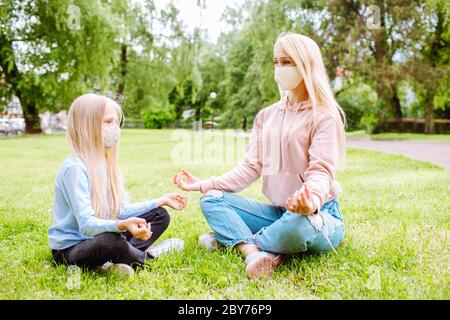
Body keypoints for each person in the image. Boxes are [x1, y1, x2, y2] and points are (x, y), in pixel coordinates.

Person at [173, 32, 346, 279]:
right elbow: (250, 168)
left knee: (297, 225)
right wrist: (203, 184)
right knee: (212, 200)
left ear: (306, 65)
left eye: (287, 62)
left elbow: (321, 171)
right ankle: (253, 251)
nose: (279, 68)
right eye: (276, 62)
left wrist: (312, 200)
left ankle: (233, 240)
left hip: (317, 214)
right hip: (278, 212)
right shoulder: (266, 116)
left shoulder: (324, 116)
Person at [48, 93, 186, 276]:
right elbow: (86, 225)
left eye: (116, 123)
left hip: (99, 237)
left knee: (159, 214)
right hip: (72, 249)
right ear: (87, 126)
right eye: (108, 122)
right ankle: (148, 257)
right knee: (111, 241)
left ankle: (116, 260)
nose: (115, 129)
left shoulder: (104, 162)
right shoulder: (74, 169)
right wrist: (121, 225)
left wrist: (159, 201)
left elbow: (120, 210)